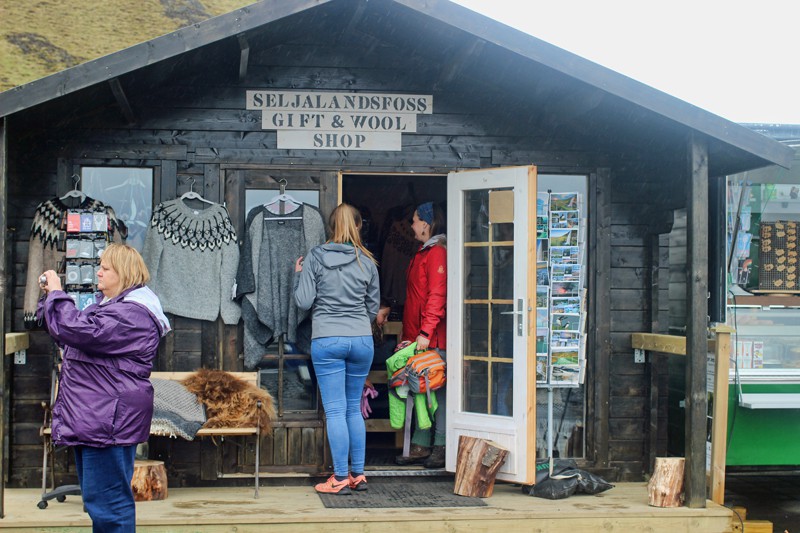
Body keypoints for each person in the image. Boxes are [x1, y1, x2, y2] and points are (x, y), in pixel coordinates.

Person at [37, 243, 171, 532]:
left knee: (110, 506)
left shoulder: (132, 314)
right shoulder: (110, 308)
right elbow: (66, 330)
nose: (98, 272)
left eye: (106, 268)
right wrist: (49, 298)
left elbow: (78, 330)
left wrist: (58, 294)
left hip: (108, 419)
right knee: (99, 502)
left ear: (123, 273)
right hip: (97, 416)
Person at [294, 203, 380, 495]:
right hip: (361, 340)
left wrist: (298, 275)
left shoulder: (316, 257)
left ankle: (340, 477)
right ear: (359, 225)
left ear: (330, 227)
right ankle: (358, 475)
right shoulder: (367, 261)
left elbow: (303, 302)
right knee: (353, 408)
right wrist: (357, 325)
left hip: (327, 339)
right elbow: (372, 307)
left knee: (335, 410)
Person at [378, 201, 447, 469]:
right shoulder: (423, 252)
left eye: (415, 220)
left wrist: (426, 331)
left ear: (427, 224)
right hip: (417, 336)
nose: (412, 225)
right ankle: (420, 444)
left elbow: (437, 295)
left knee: (436, 390)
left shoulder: (437, 253)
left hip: (431, 337)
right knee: (420, 390)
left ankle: (440, 445)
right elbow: (416, 295)